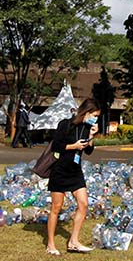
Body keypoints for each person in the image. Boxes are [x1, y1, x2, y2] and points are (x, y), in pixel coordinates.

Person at [46, 97, 101, 256]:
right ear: (86, 112)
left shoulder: (87, 128)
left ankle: (73, 241)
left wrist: (92, 136)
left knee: (83, 204)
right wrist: (74, 146)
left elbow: (89, 151)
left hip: (75, 171)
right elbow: (56, 146)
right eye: (94, 115)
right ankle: (50, 244)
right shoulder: (65, 124)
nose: (95, 118)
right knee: (56, 208)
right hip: (60, 170)